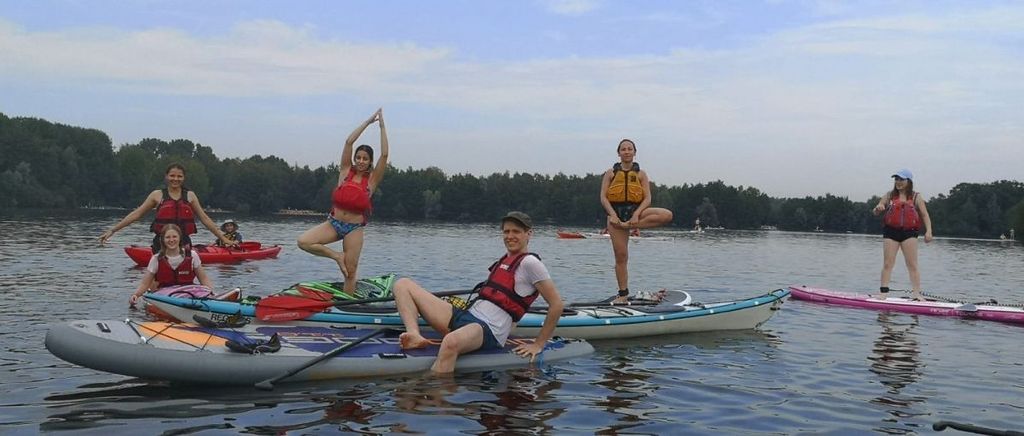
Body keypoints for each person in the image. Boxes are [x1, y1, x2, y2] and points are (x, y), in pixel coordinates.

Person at [392, 211, 564, 373]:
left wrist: (538, 344)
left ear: (529, 234)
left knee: (450, 342)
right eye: (506, 231)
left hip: (488, 330)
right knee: (403, 284)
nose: (510, 236)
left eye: (516, 232)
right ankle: (414, 335)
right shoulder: (504, 260)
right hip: (467, 317)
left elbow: (556, 304)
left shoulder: (531, 263)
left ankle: (438, 396)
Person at [297, 108, 389, 296]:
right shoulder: (345, 171)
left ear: (370, 162)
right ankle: (337, 256)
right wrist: (368, 121)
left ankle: (347, 304)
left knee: (350, 271)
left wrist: (381, 126)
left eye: (365, 159)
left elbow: (385, 155)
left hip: (354, 229)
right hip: (333, 223)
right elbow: (349, 142)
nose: (361, 161)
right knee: (303, 242)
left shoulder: (371, 181)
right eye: (358, 157)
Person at [599, 139, 674, 304]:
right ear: (618, 153)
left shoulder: (641, 174)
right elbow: (603, 197)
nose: (626, 151)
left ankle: (630, 225)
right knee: (621, 256)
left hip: (634, 213)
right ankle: (623, 294)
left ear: (634, 152)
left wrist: (636, 215)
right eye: (623, 149)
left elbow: (647, 198)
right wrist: (612, 215)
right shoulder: (610, 173)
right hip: (615, 216)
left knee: (667, 215)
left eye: (630, 149)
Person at [99, 163, 236, 252]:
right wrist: (113, 230)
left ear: (184, 178)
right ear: (166, 177)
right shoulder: (157, 195)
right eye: (172, 176)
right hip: (161, 243)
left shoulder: (190, 196)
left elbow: (205, 219)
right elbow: (136, 214)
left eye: (179, 176)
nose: (175, 179)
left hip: (183, 242)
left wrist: (223, 238)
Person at [872, 169, 933, 301]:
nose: (898, 182)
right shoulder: (889, 195)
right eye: (896, 179)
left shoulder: (916, 197)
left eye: (901, 179)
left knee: (912, 264)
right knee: (888, 263)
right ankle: (883, 293)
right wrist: (878, 208)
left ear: (908, 181)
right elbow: (877, 209)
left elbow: (924, 215)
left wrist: (929, 231)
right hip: (891, 232)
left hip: (909, 233)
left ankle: (916, 294)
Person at [129, 224, 214, 306]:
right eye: (168, 237)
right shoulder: (156, 259)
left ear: (180, 238)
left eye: (174, 237)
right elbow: (145, 284)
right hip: (165, 296)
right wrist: (136, 295)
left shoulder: (192, 255)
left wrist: (212, 293)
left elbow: (204, 278)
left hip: (188, 292)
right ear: (163, 240)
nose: (171, 240)